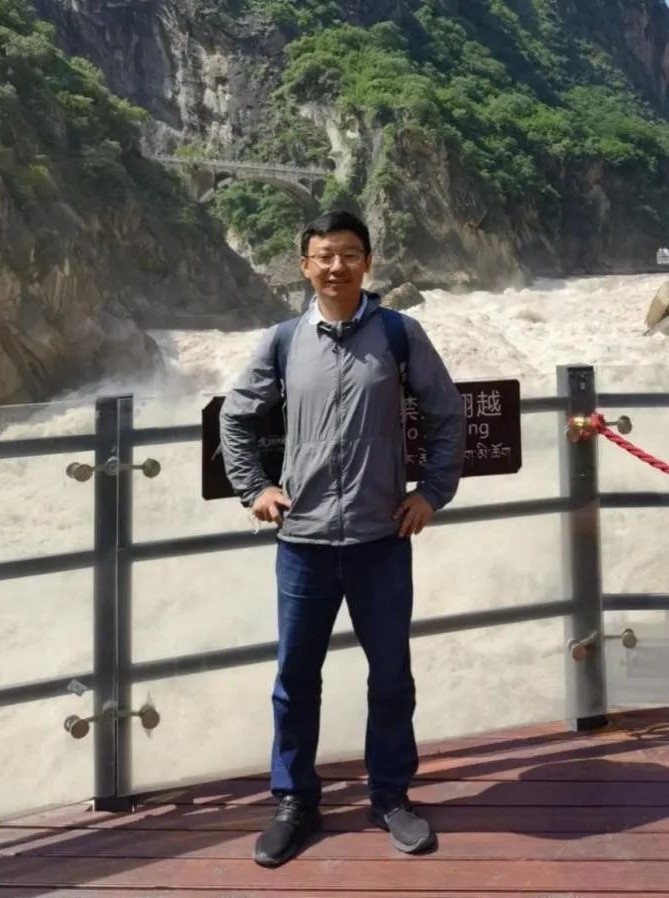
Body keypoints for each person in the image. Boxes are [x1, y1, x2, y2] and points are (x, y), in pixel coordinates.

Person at [220, 210, 465, 867]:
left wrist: (431, 493)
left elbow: (447, 413)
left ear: (367, 262)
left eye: (349, 254)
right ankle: (294, 802)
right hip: (303, 542)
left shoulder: (399, 334)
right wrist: (254, 489)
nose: (337, 266)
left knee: (391, 677)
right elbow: (236, 418)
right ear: (305, 266)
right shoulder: (282, 341)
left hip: (380, 537)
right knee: (295, 679)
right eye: (324, 256)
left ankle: (390, 796)